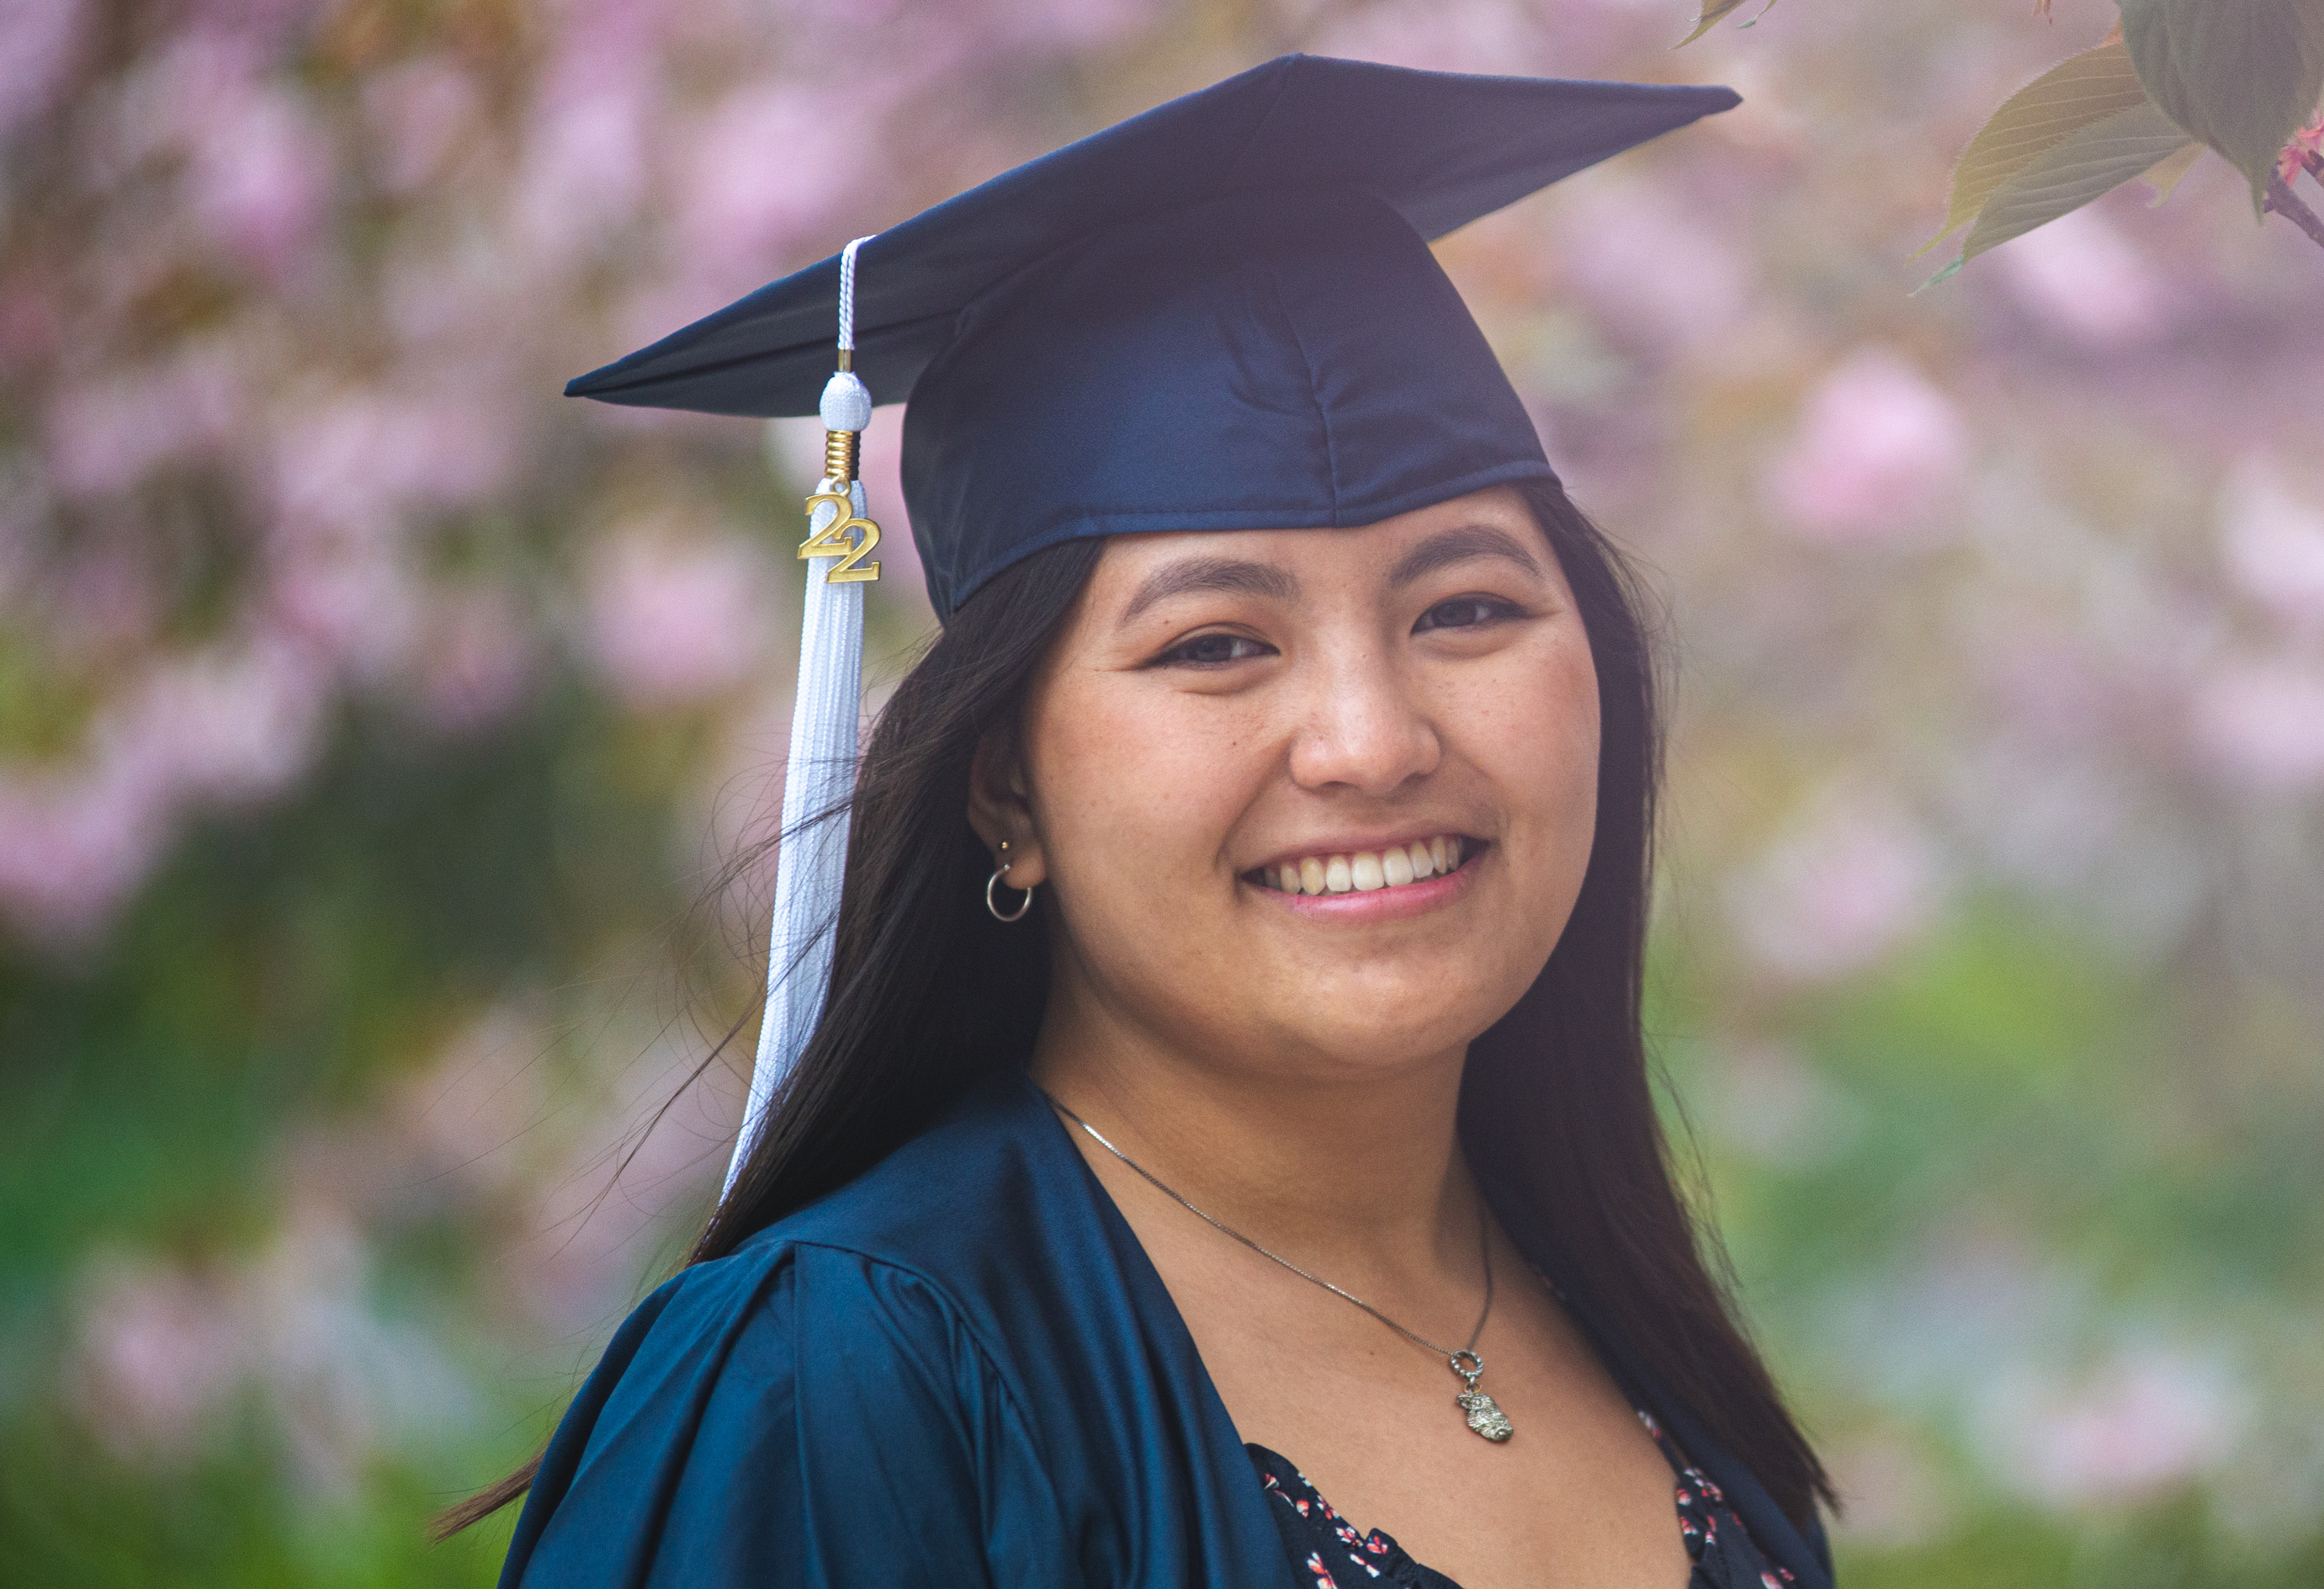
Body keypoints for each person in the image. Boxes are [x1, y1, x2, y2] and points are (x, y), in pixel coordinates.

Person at [447, 55, 1833, 1589]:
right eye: (1214, 644)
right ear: (1005, 790)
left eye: (1467, 606)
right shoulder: (843, 1373)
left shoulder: (1616, 1318)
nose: (1371, 741)